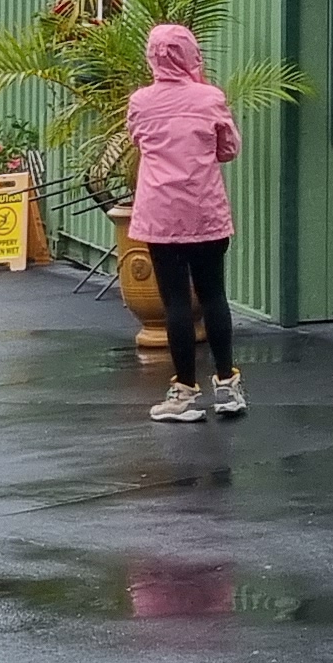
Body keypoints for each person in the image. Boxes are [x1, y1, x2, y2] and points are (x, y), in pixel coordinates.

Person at [126, 21, 244, 422]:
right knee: (213, 296)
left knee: (175, 301)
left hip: (160, 215)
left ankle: (184, 394)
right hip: (205, 210)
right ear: (193, 55)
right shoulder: (210, 98)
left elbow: (138, 140)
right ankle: (227, 385)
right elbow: (229, 149)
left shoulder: (140, 101)